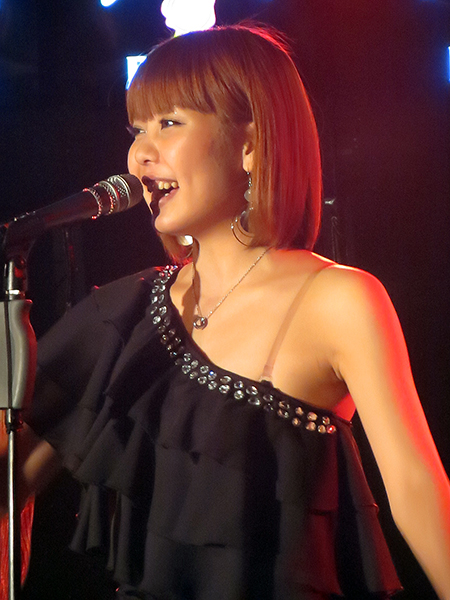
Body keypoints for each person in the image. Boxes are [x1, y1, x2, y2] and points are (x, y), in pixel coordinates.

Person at [1, 24, 450, 600]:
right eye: (137, 130)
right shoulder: (121, 315)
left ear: (251, 144)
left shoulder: (339, 299)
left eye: (169, 123)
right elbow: (10, 475)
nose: (140, 154)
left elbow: (416, 492)